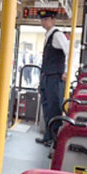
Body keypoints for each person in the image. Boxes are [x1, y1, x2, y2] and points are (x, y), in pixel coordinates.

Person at [35, 9, 69, 146]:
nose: (44, 22)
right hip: (47, 77)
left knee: (54, 108)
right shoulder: (48, 35)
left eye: (47, 19)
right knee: (47, 107)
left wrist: (66, 71)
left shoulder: (57, 35)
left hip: (55, 77)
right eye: (42, 19)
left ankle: (55, 140)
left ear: (53, 20)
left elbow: (69, 51)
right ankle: (48, 137)